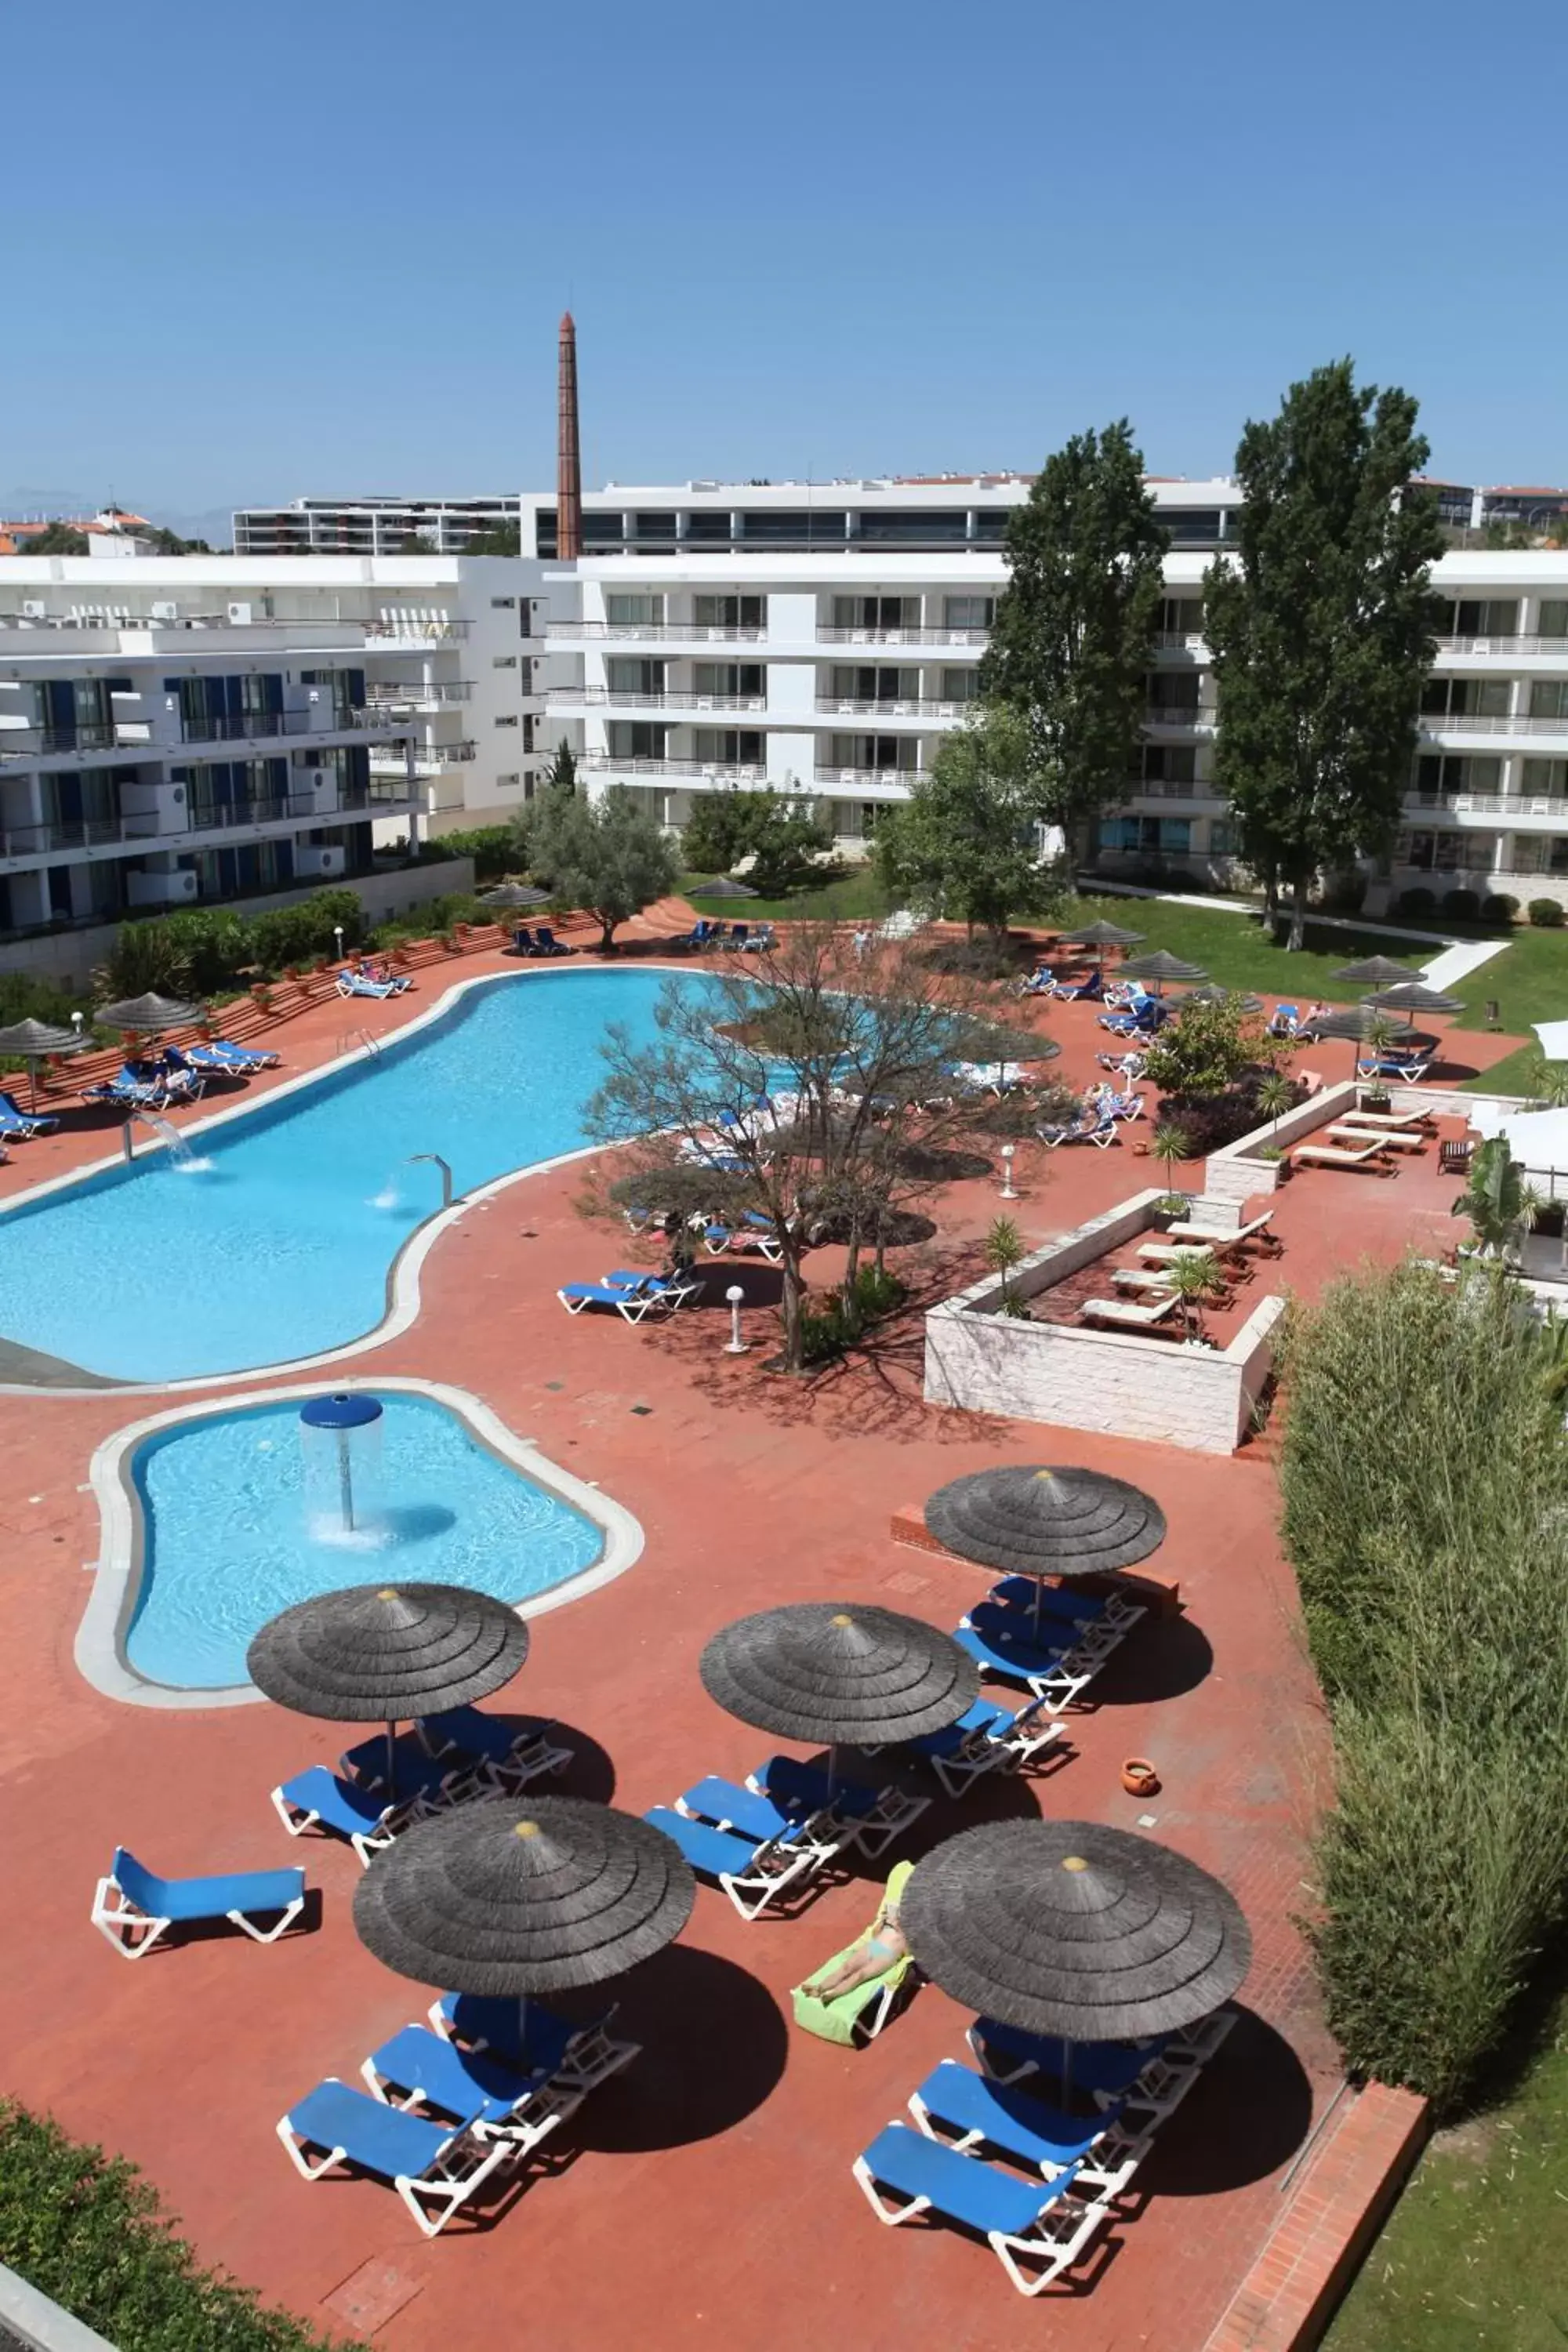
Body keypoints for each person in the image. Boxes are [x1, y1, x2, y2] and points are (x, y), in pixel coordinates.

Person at [799, 1875, 909, 2003]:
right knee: (847, 1967)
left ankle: (832, 1995)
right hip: (876, 1945)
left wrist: (899, 1929)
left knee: (860, 1975)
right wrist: (884, 1921)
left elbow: (908, 1952)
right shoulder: (897, 1909)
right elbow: (875, 1933)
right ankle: (819, 1988)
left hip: (890, 1954)